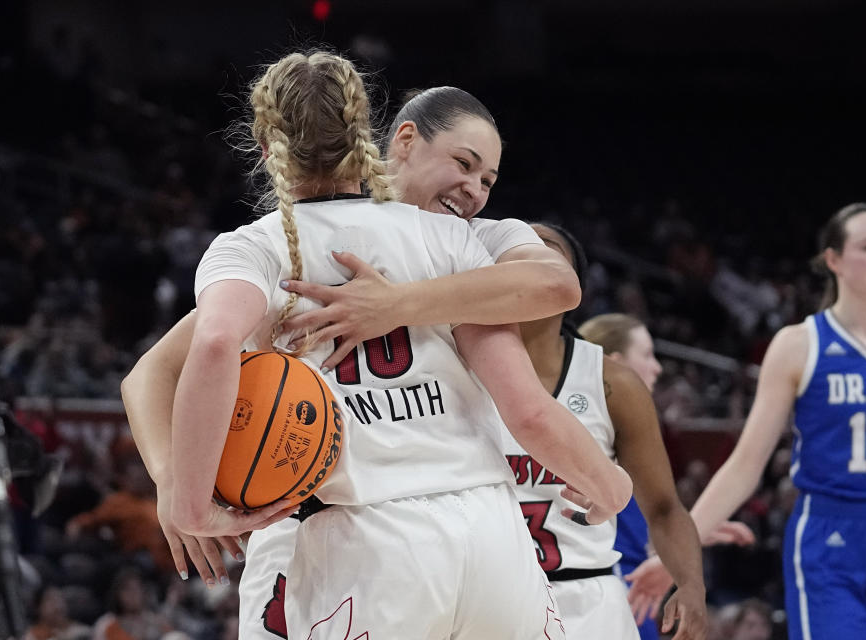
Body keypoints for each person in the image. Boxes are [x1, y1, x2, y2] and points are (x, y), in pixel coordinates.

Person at [167, 50, 633, 639]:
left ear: (266, 150)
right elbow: (529, 411)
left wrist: (189, 506)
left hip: (368, 541)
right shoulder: (453, 241)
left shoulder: (252, 249)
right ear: (373, 138)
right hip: (493, 537)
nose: (476, 189)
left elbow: (211, 347)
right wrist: (609, 483)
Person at [627, 203, 866, 640]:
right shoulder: (799, 345)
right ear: (833, 259)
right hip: (829, 533)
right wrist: (679, 554)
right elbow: (745, 465)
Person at [507, 223, 707, 640]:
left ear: (572, 286)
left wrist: (690, 583)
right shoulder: (452, 367)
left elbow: (665, 507)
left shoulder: (611, 383)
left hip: (586, 597)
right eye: (514, 245)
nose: (528, 254)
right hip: (486, 598)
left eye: (546, 250)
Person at [578, 312, 754, 639]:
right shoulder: (595, 432)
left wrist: (694, 533)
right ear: (616, 364)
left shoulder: (622, 431)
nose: (658, 367)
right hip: (605, 589)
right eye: (646, 355)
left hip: (627, 586)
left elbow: (633, 530)